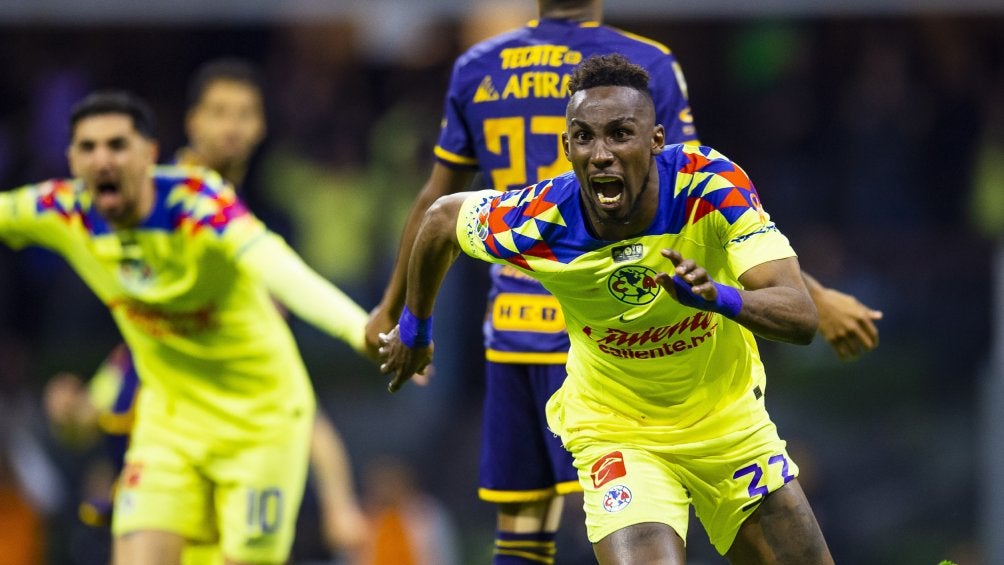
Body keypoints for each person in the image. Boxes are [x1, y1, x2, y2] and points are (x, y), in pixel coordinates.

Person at [366, 0, 875, 562]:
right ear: (567, 150)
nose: (602, 154)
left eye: (620, 135)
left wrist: (719, 298)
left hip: (728, 423)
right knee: (528, 536)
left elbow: (800, 318)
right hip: (617, 430)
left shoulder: (709, 185)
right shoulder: (542, 219)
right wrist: (413, 328)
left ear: (657, 141)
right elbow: (440, 218)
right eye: (584, 138)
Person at [0, 90, 375, 565]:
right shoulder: (64, 211)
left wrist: (359, 329)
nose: (103, 160)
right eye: (88, 148)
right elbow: (84, 426)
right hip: (170, 427)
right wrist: (71, 412)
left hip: (260, 424)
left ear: (149, 154)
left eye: (117, 145)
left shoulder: (196, 204)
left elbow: (280, 268)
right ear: (71, 158)